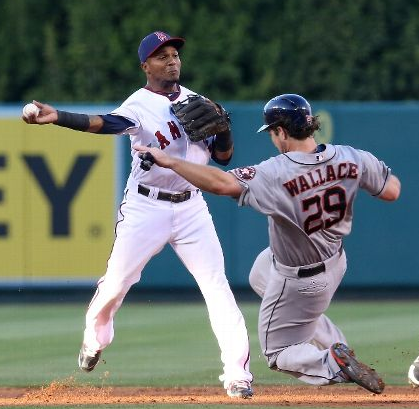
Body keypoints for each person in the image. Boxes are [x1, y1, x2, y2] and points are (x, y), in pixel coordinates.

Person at [22, 30, 253, 399]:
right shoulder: (137, 105)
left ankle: (238, 375)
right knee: (115, 284)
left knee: (217, 287)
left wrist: (223, 131)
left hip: (192, 205)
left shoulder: (199, 102)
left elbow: (224, 158)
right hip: (146, 206)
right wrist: (58, 117)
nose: (172, 60)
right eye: (162, 56)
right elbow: (103, 123)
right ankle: (94, 338)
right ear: (146, 65)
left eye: (175, 53)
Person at [135, 93, 401, 394]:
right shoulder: (352, 157)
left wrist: (169, 161)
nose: (273, 139)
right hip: (336, 260)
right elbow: (391, 191)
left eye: (273, 132)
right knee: (261, 272)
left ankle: (331, 363)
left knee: (278, 353)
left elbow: (221, 183)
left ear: (282, 132)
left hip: (301, 278)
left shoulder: (276, 172)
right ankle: (337, 345)